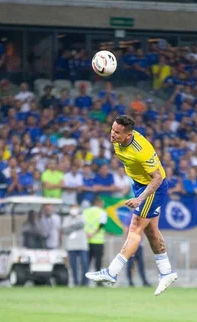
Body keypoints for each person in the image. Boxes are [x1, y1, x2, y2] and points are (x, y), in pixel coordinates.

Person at [85, 115, 177, 296]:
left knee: (134, 227)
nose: (112, 135)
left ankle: (112, 272)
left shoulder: (141, 150)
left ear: (128, 135)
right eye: (112, 129)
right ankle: (166, 272)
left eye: (117, 133)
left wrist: (140, 199)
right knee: (151, 231)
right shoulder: (117, 141)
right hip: (138, 183)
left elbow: (157, 178)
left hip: (152, 187)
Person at [61, 204, 89, 287]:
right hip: (71, 245)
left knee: (84, 263)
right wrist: (73, 227)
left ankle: (85, 282)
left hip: (82, 245)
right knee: (73, 265)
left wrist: (71, 227)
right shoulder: (66, 219)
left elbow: (81, 224)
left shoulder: (81, 217)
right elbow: (64, 230)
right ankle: (76, 282)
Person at [83, 196, 107, 279]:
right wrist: (93, 234)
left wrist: (87, 234)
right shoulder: (102, 212)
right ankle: (98, 281)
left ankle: (84, 281)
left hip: (86, 240)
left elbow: (82, 224)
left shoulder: (85, 212)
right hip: (98, 241)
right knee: (98, 262)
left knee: (87, 262)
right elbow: (101, 225)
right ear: (99, 203)